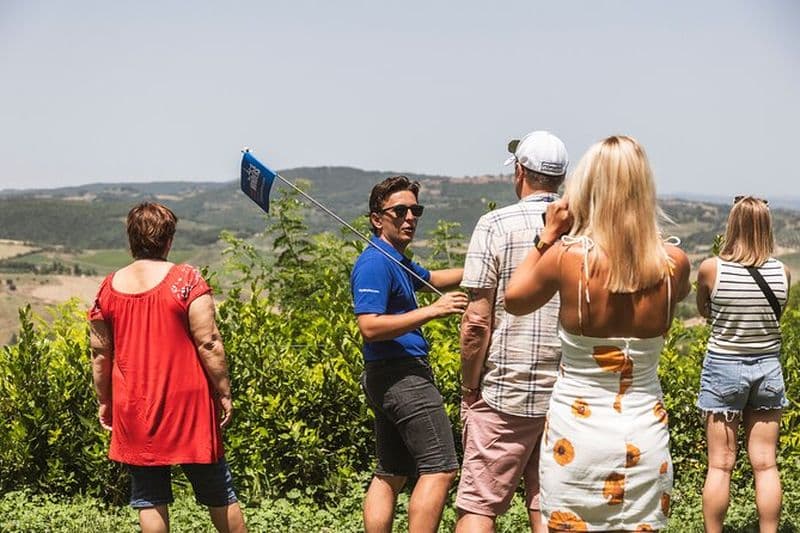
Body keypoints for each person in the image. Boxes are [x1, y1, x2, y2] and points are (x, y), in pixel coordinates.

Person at [505, 135, 691, 530]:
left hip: (578, 434)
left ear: (589, 189)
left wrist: (548, 235)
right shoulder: (675, 264)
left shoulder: (570, 259)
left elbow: (515, 299)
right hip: (644, 432)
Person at [88, 202, 246, 533]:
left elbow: (100, 353)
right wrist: (224, 391)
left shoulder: (108, 288)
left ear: (131, 239)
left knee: (149, 498)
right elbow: (209, 342)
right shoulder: (186, 280)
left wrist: (105, 401)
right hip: (189, 405)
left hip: (135, 405)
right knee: (219, 492)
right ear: (169, 240)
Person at [456, 131, 568, 533]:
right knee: (549, 505)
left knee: (479, 505)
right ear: (561, 177)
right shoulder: (585, 230)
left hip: (504, 388)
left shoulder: (493, 225)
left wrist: (470, 385)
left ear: (520, 171)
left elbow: (475, 323)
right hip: (569, 394)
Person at [351, 175, 468, 533]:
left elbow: (432, 276)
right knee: (440, 467)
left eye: (415, 210)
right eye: (399, 210)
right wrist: (433, 310)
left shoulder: (396, 259)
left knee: (391, 472)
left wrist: (484, 268)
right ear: (377, 218)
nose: (410, 217)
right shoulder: (374, 263)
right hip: (403, 378)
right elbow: (369, 326)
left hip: (386, 377)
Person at [695, 196, 790, 533]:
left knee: (720, 465)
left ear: (732, 225)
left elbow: (704, 310)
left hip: (724, 368)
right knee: (765, 465)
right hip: (768, 368)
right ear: (766, 227)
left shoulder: (710, 268)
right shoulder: (782, 272)